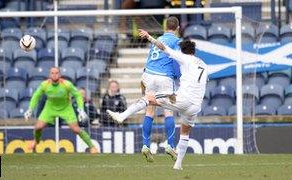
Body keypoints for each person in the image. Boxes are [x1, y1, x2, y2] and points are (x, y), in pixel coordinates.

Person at [107, 29, 208, 170]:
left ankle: (121, 116)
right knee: (185, 133)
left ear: (183, 51)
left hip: (182, 99)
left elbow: (163, 47)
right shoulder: (203, 64)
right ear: (194, 51)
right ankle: (178, 165)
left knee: (148, 98)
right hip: (196, 105)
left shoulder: (183, 57)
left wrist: (149, 37)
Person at [24, 67, 98, 154]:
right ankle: (36, 141)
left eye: (56, 73)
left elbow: (77, 95)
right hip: (50, 108)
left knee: (75, 129)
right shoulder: (44, 85)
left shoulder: (67, 84)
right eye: (52, 73)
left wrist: (81, 110)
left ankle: (92, 147)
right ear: (49, 74)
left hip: (66, 108)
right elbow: (36, 96)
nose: (54, 75)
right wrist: (30, 109)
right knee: (38, 127)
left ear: (60, 74)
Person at [138, 16, 181, 163]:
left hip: (149, 74)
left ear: (165, 27)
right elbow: (177, 61)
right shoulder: (177, 41)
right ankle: (170, 146)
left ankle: (145, 145)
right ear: (178, 28)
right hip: (164, 76)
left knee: (150, 110)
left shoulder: (156, 40)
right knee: (168, 110)